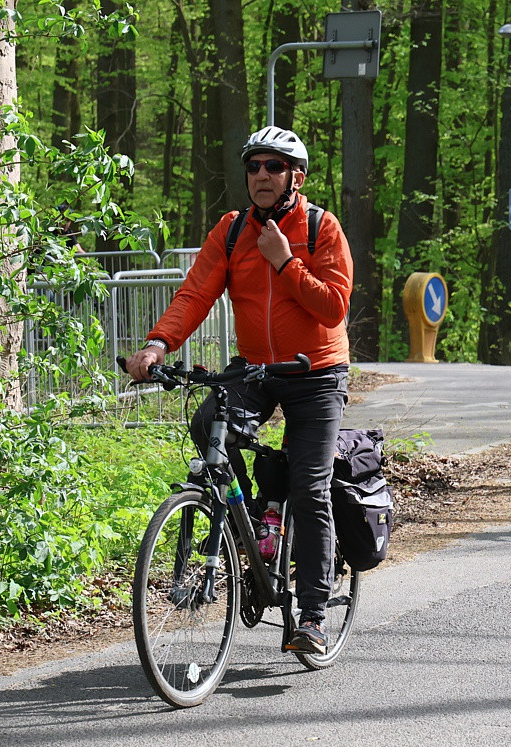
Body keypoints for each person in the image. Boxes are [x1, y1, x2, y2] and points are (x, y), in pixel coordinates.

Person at [124, 126, 353, 655]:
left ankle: (314, 616)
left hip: (316, 372)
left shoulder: (322, 228)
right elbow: (195, 293)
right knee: (207, 424)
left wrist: (284, 261)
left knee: (310, 486)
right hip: (256, 367)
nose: (261, 176)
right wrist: (159, 343)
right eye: (253, 167)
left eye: (274, 167)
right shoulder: (231, 231)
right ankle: (250, 522)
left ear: (295, 176)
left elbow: (333, 306)